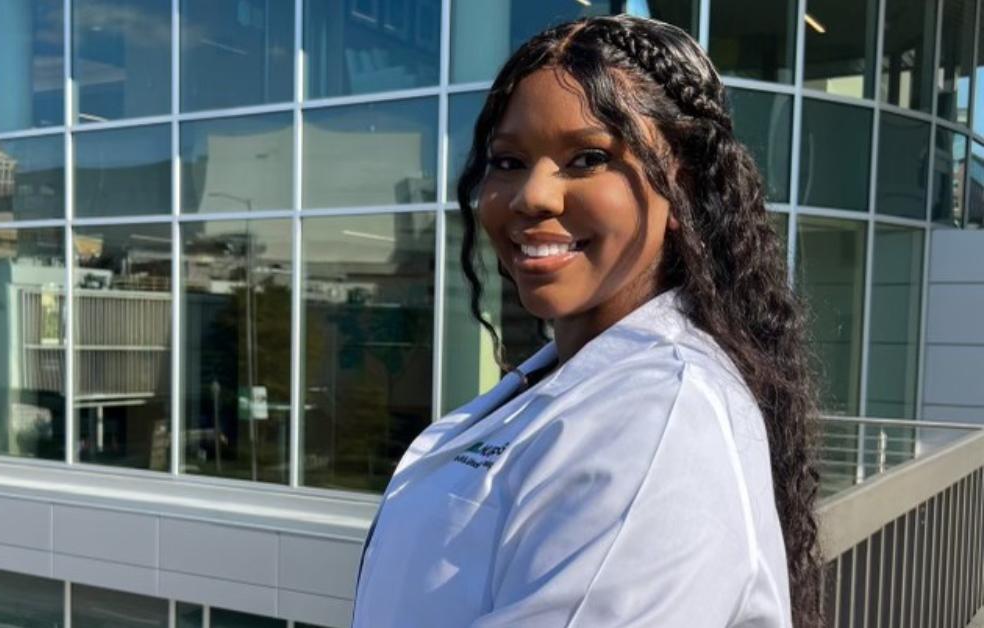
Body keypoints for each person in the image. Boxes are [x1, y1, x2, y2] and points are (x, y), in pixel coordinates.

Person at [351, 15, 822, 628]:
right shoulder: (569, 379)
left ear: (684, 188)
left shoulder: (661, 420)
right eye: (508, 161)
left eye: (588, 157)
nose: (532, 197)